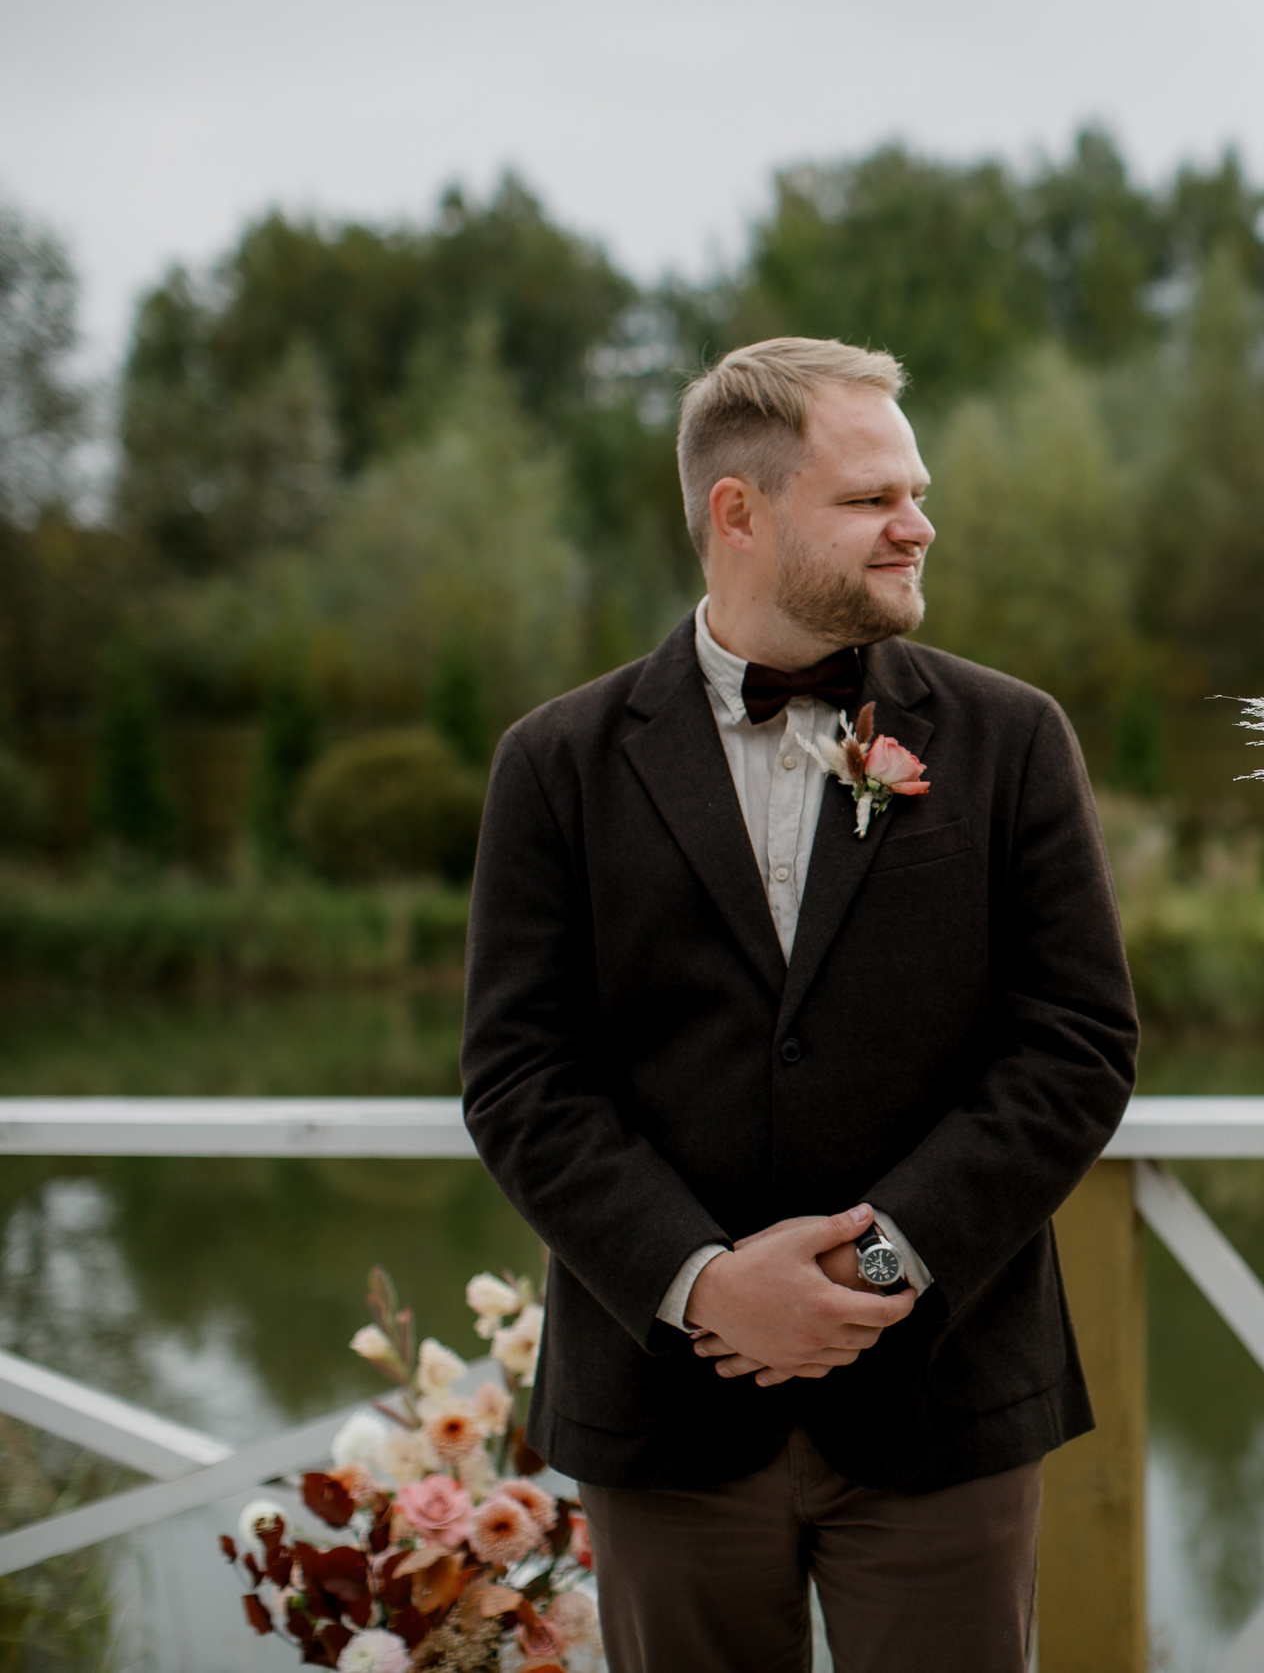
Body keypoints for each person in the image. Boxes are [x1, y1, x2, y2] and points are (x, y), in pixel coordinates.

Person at [463, 337, 1138, 1671]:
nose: (917, 525)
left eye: (916, 492)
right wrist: (705, 1284)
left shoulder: (1012, 738)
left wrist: (879, 1265)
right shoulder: (554, 763)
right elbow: (523, 1077)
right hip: (666, 1408)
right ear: (740, 511)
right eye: (871, 497)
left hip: (943, 1399)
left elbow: (1075, 1046)